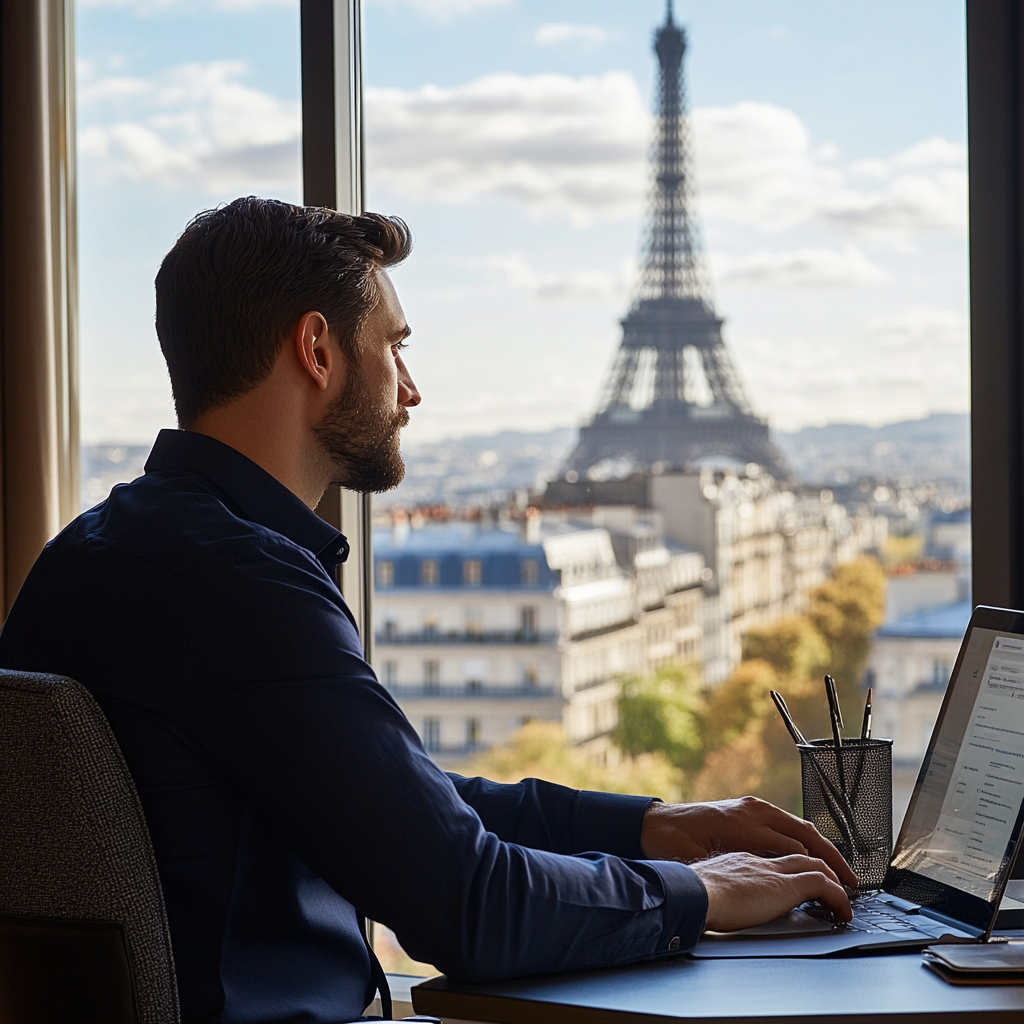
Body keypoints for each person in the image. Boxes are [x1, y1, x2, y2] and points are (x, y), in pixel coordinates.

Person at [0, 198, 855, 1024]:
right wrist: (708, 891)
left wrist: (654, 826)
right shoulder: (242, 586)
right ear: (317, 349)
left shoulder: (95, 552)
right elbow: (470, 906)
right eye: (394, 347)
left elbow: (395, 808)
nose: (410, 389)